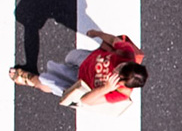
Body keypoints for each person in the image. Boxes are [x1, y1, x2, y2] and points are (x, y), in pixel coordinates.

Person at [9, 29, 146, 107]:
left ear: (124, 84)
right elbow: (112, 40)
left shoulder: (121, 94)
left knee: (48, 83)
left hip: (78, 81)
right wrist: (98, 34)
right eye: (120, 66)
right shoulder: (127, 53)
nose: (115, 70)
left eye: (118, 76)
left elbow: (86, 101)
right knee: (69, 57)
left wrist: (106, 88)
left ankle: (29, 79)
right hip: (87, 59)